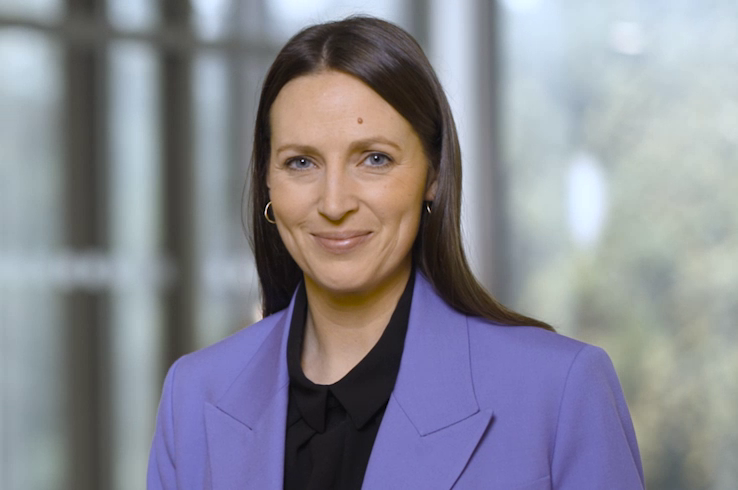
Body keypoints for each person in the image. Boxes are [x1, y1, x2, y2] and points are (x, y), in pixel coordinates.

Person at [147, 16, 644, 490]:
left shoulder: (558, 390)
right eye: (301, 162)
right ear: (267, 181)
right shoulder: (194, 396)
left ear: (433, 175)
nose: (335, 203)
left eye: (375, 159)